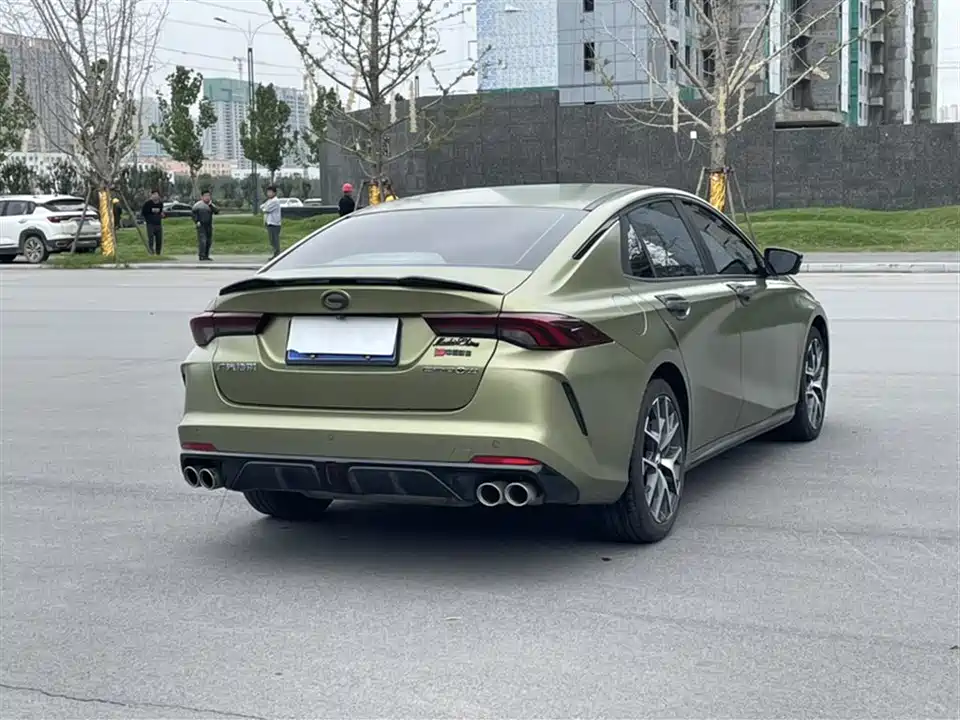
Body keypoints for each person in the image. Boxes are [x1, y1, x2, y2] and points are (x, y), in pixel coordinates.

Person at [191, 190, 219, 261]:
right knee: (203, 240)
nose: (207, 197)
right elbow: (193, 214)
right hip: (201, 225)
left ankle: (206, 255)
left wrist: (210, 205)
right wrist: (196, 221)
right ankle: (202, 255)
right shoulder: (197, 205)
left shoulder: (211, 205)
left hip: (209, 225)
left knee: (209, 241)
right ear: (202, 197)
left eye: (208, 196)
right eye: (205, 196)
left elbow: (216, 212)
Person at [141, 189, 165, 255]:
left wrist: (162, 215)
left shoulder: (160, 204)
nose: (155, 196)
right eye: (154, 195)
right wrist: (146, 220)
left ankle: (158, 253)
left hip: (158, 224)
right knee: (151, 238)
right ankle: (151, 252)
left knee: (159, 239)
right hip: (150, 224)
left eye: (157, 195)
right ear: (151, 195)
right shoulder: (147, 204)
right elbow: (143, 213)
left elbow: (160, 212)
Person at [260, 185, 282, 258]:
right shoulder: (269, 200)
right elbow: (261, 206)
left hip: (274, 223)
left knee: (275, 240)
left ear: (274, 193)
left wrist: (264, 208)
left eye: (270, 192)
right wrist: (264, 208)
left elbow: (266, 209)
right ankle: (276, 253)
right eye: (268, 192)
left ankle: (277, 254)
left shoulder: (275, 201)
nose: (268, 193)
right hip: (269, 222)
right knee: (271, 240)